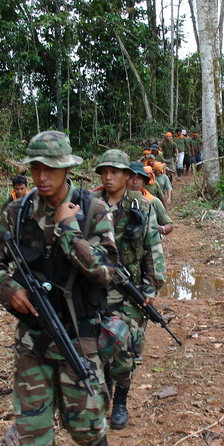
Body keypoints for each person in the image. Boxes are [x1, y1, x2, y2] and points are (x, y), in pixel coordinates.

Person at [0, 131, 116, 446]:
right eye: (35, 167)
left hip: (78, 336)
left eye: (50, 169)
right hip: (34, 339)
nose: (41, 176)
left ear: (67, 169)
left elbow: (104, 272)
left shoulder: (93, 210)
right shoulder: (16, 213)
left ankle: (98, 441)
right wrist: (8, 288)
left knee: (85, 422)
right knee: (32, 423)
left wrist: (68, 230)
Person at [94, 150, 165, 430]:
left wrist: (150, 285)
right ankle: (104, 396)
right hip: (96, 288)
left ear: (127, 175)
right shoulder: (90, 203)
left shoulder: (141, 205)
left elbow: (152, 246)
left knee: (124, 351)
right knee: (98, 346)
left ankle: (120, 401)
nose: (109, 176)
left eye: (115, 171)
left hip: (129, 288)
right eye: (104, 171)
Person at [129, 162, 174, 237]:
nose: (135, 182)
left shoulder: (153, 201)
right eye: (131, 177)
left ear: (144, 182)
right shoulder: (118, 201)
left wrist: (158, 229)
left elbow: (169, 225)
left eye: (139, 178)